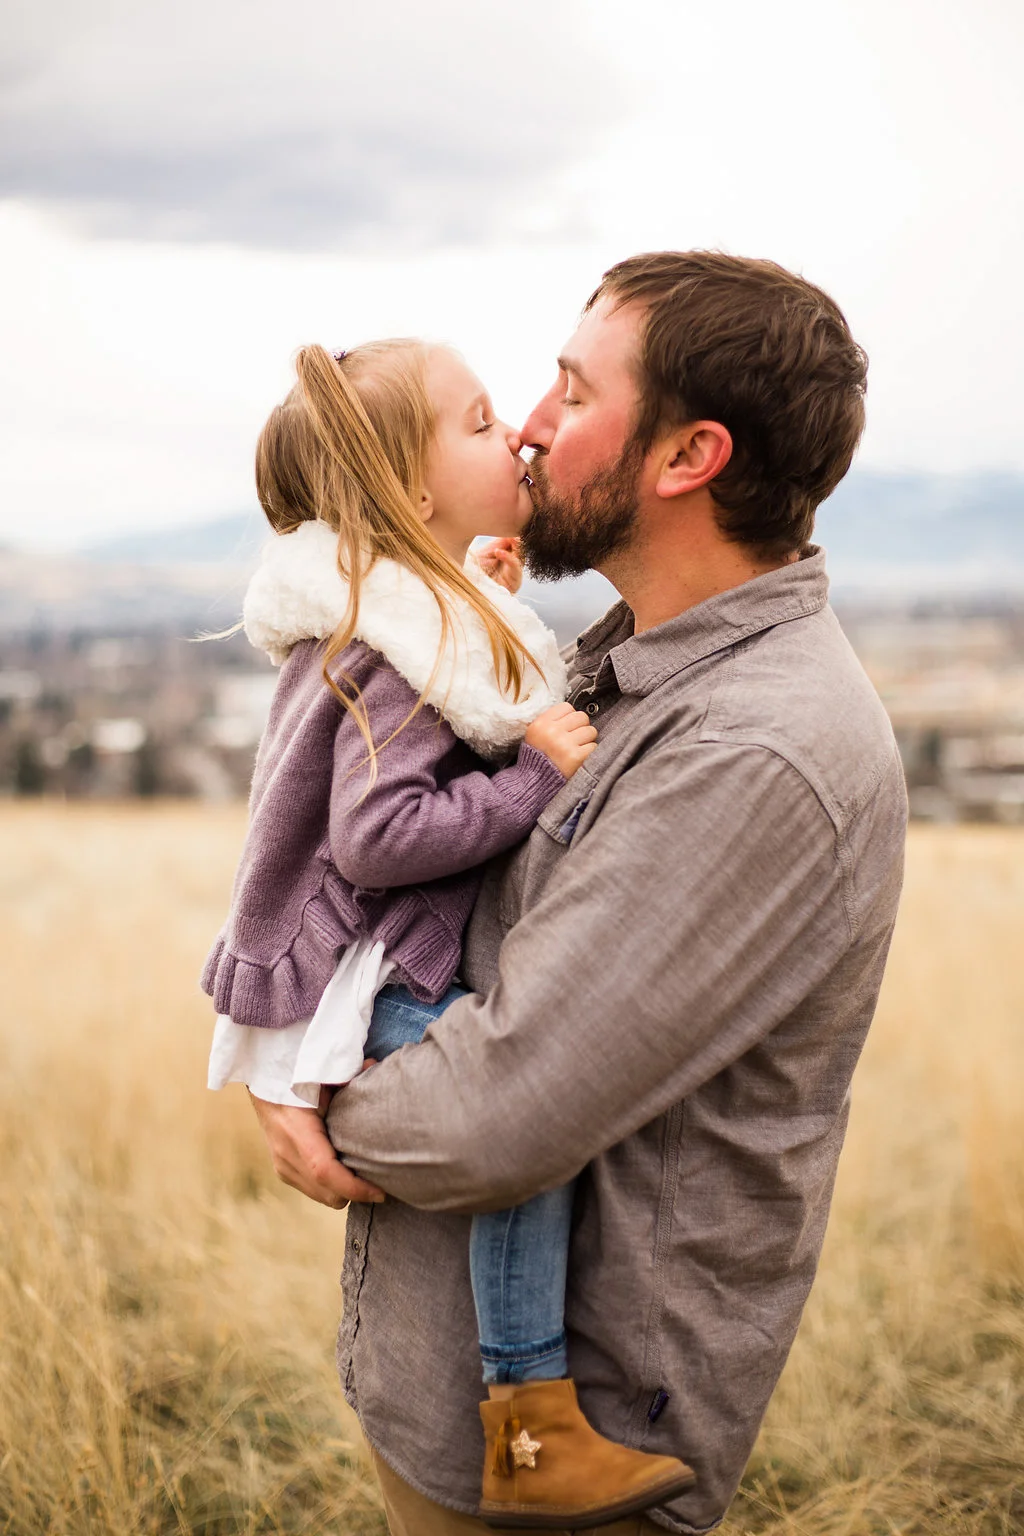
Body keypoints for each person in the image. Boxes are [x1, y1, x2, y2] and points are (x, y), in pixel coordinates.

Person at [252, 252, 908, 1536]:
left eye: (570, 388)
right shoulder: (625, 660)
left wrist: (301, 1083)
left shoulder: (752, 750)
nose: (532, 423)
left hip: (570, 1459)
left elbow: (489, 1120)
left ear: (688, 457)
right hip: (439, 1393)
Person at [204, 337, 695, 1528]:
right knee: (523, 1135)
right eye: (479, 423)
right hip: (371, 982)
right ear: (412, 497)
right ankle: (528, 1424)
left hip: (366, 963)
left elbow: (435, 702)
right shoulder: (393, 653)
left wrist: (481, 587)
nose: (515, 433)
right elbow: (378, 836)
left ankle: (526, 1421)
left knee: (522, 1123)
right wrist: (535, 775)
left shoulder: (402, 609)